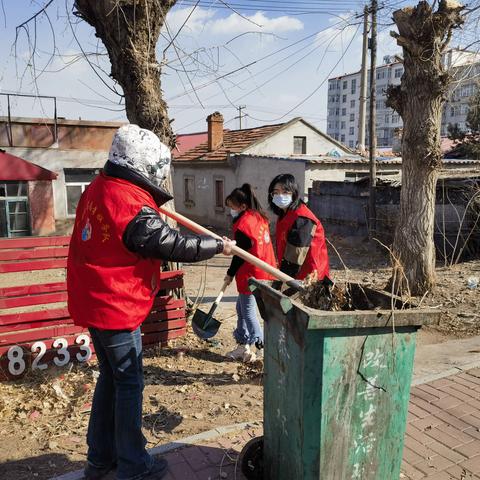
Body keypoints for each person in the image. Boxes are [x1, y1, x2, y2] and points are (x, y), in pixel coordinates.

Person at [67, 124, 235, 480]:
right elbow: (173, 245)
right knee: (128, 384)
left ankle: (100, 460)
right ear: (142, 165)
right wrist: (217, 246)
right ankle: (132, 465)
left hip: (95, 301)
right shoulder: (129, 203)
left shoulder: (100, 187)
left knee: (111, 380)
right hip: (115, 306)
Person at [223, 184, 276, 362]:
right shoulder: (258, 217)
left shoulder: (244, 225)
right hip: (265, 271)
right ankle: (243, 346)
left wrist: (230, 273)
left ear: (243, 206)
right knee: (241, 308)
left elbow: (240, 255)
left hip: (251, 274)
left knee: (248, 312)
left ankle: (263, 348)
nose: (230, 210)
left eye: (232, 207)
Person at [268, 174, 329, 285]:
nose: (280, 195)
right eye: (276, 192)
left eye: (285, 192)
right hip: (297, 275)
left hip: (309, 277)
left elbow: (294, 257)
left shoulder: (302, 219)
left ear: (294, 193)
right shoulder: (284, 214)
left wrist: (281, 283)